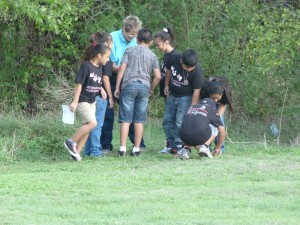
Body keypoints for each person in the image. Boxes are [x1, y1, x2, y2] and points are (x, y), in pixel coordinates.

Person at [101, 15, 146, 152]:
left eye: (135, 35)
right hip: (111, 78)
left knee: (130, 113)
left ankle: (139, 144)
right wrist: (123, 68)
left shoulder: (135, 41)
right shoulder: (112, 38)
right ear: (124, 29)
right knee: (108, 113)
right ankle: (105, 145)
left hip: (128, 80)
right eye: (131, 34)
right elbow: (110, 63)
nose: (133, 37)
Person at [114, 28, 161, 156]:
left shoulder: (129, 50)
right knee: (139, 120)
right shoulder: (153, 56)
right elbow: (158, 76)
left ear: (137, 39)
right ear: (151, 42)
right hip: (144, 87)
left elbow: (122, 69)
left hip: (129, 85)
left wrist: (117, 87)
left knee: (125, 119)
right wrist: (151, 88)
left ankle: (122, 148)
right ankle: (136, 148)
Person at [64, 44, 111, 161]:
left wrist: (102, 89)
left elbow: (96, 81)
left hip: (92, 101)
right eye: (107, 57)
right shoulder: (86, 66)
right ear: (99, 56)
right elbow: (79, 84)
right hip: (83, 101)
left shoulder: (100, 67)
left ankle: (76, 154)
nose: (108, 59)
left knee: (88, 127)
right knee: (93, 123)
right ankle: (71, 141)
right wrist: (75, 101)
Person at [160, 49, 204, 154]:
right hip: (172, 94)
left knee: (180, 121)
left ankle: (180, 145)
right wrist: (166, 85)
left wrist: (192, 108)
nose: (189, 69)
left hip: (186, 97)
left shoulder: (197, 72)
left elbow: (197, 91)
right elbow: (169, 71)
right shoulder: (174, 58)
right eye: (187, 67)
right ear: (181, 61)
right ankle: (171, 145)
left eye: (191, 67)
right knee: (167, 120)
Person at [83, 32, 114, 157]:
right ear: (106, 44)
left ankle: (88, 150)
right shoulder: (106, 59)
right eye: (111, 43)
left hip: (90, 94)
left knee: (90, 123)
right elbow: (105, 78)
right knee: (97, 124)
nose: (112, 45)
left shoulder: (92, 57)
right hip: (100, 96)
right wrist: (110, 96)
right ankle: (95, 151)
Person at [179, 81, 226, 159]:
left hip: (182, 136)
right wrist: (218, 148)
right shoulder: (212, 111)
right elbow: (222, 131)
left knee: (190, 126)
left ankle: (186, 149)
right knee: (215, 128)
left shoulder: (191, 108)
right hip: (198, 137)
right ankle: (205, 147)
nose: (216, 100)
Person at [154, 27, 177, 151]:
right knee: (168, 120)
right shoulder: (165, 56)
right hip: (165, 92)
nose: (157, 47)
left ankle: (174, 145)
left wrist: (168, 87)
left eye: (158, 45)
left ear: (166, 42)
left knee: (171, 120)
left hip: (172, 93)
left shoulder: (175, 56)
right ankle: (169, 144)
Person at [200, 76, 234, 155]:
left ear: (221, 93)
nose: (215, 101)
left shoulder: (225, 92)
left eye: (217, 98)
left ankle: (219, 149)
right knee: (207, 123)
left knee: (219, 122)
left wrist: (216, 119)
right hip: (207, 104)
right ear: (209, 94)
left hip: (221, 104)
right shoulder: (204, 90)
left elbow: (222, 106)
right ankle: (207, 147)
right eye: (213, 98)